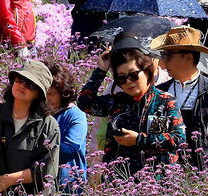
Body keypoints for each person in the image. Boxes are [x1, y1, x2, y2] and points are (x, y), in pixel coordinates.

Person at [77, 34, 188, 178]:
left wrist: (138, 140)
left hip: (158, 184)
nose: (129, 82)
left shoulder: (165, 101)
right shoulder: (115, 102)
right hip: (120, 184)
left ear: (147, 72)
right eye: (121, 78)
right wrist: (101, 70)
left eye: (133, 75)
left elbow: (179, 139)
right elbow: (84, 102)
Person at [0, 60, 60, 196]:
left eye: (30, 85)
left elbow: (47, 169)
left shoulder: (48, 125)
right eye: (20, 79)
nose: (22, 85)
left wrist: (10, 179)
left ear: (38, 94)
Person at [158, 27, 208, 168]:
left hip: (207, 177)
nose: (164, 61)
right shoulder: (160, 93)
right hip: (169, 174)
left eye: (168, 55)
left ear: (188, 57)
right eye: (163, 55)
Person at [45, 62, 89, 195]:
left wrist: (39, 146)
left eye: (51, 94)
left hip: (68, 186)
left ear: (63, 93)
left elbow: (70, 150)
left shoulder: (75, 115)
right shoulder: (38, 113)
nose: (46, 98)